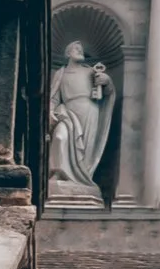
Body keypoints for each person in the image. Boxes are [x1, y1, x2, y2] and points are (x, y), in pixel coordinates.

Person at [47, 39, 114, 190]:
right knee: (59, 137)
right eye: (76, 49)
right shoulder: (61, 73)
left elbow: (107, 93)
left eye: (81, 49)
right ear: (68, 53)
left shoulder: (90, 71)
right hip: (67, 110)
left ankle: (83, 178)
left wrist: (107, 81)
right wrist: (50, 111)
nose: (80, 51)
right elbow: (54, 97)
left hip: (89, 110)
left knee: (85, 147)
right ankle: (58, 172)